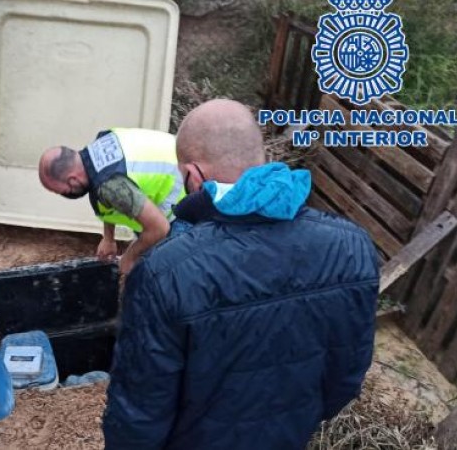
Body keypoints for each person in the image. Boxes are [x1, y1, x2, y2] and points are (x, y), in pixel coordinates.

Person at [102, 99, 379, 449]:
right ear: (260, 158)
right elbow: (346, 377)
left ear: (193, 176)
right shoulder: (353, 247)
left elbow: (138, 414)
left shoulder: (164, 273)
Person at [38, 128, 185, 274]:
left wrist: (129, 257)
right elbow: (109, 196)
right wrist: (109, 238)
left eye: (61, 191)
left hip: (187, 195)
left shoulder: (110, 185)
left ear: (73, 180)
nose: (63, 195)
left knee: (168, 273)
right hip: (183, 154)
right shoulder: (99, 146)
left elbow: (159, 228)